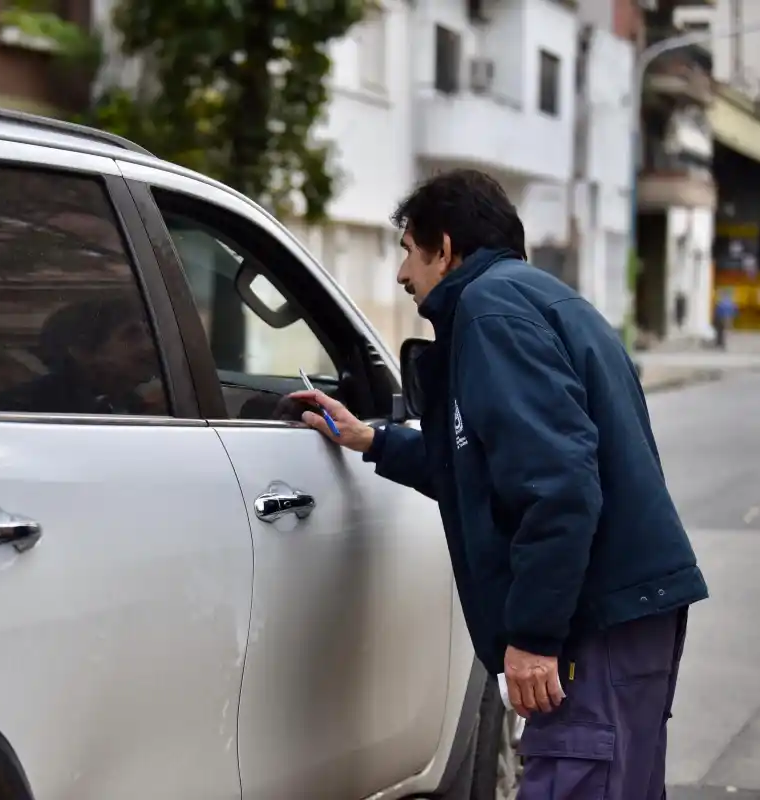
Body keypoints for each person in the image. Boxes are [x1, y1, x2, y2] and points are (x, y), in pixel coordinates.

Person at [291, 170, 708, 800]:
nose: (402, 275)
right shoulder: (539, 300)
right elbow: (488, 462)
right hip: (628, 610)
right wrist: (373, 440)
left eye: (408, 249)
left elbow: (558, 485)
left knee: (579, 779)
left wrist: (536, 637)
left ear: (447, 247)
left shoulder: (491, 314)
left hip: (594, 616)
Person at [0, 294, 166, 415]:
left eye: (147, 334)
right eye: (131, 336)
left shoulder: (137, 404)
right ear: (82, 352)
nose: (150, 346)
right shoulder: (29, 411)